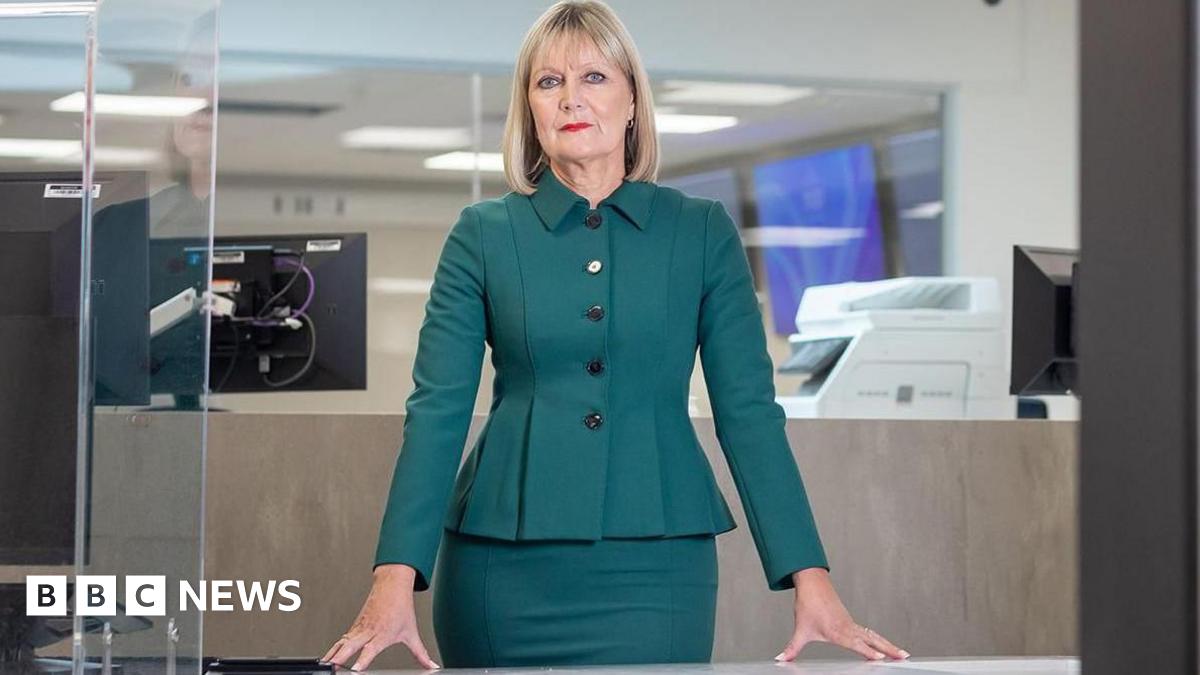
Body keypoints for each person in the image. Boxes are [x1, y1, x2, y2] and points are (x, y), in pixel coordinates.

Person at [324, 0, 908, 669]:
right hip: (501, 570)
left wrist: (812, 578)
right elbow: (437, 413)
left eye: (594, 77)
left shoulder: (701, 232)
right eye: (549, 82)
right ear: (530, 108)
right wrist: (393, 578)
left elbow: (748, 412)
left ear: (633, 98)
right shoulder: (482, 235)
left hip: (657, 571)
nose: (571, 98)